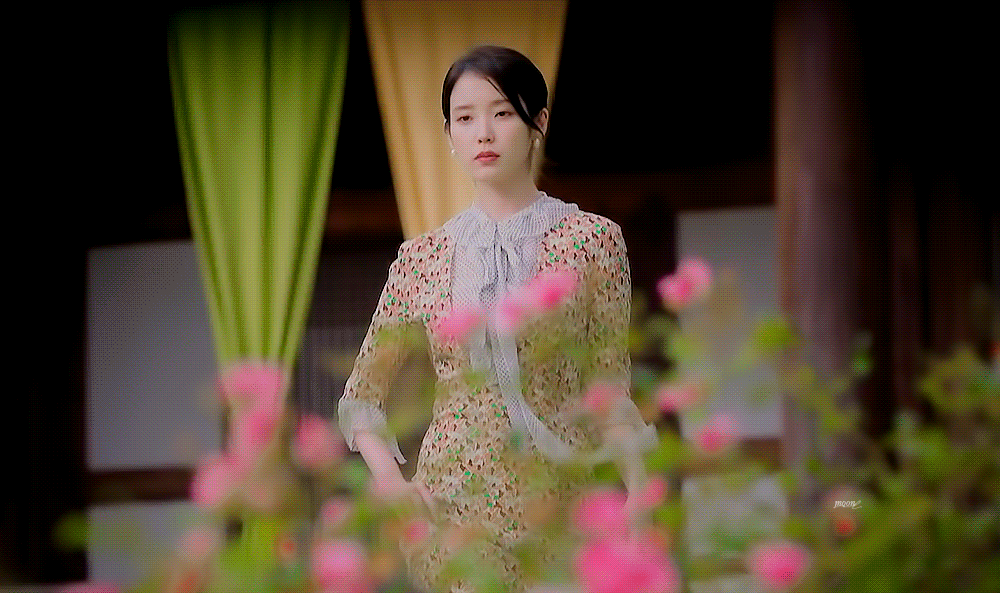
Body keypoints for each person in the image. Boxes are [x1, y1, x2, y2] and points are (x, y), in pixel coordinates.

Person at [337, 45, 658, 593]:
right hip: (451, 515)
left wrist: (639, 492)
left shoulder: (592, 241)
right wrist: (394, 487)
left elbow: (608, 386)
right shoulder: (422, 257)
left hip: (561, 505)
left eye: (502, 112)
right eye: (464, 119)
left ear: (539, 122)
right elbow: (362, 397)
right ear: (449, 134)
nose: (483, 133)